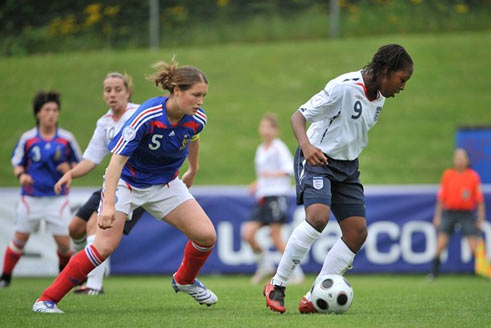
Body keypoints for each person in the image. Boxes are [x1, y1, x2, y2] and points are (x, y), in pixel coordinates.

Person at [33, 59, 217, 313]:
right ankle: (46, 299)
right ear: (176, 90)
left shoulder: (197, 117)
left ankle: (184, 280)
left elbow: (193, 138)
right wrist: (108, 204)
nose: (200, 101)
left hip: (165, 183)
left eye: (204, 96)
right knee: (104, 246)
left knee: (206, 236)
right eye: (196, 95)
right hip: (127, 183)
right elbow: (116, 162)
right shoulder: (147, 115)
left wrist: (193, 169)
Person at [263, 44, 414, 313]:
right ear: (386, 70)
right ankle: (278, 284)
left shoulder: (378, 98)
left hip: (348, 169)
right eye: (402, 80)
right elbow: (298, 117)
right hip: (319, 160)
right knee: (318, 218)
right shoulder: (344, 87)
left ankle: (315, 296)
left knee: (357, 232)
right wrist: (307, 147)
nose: (403, 87)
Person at [54, 72, 145, 295]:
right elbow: (91, 159)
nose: (112, 94)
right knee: (75, 228)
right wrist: (70, 175)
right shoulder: (104, 123)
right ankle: (84, 270)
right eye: (108, 90)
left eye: (117, 89)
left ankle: (94, 286)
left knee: (96, 225)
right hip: (112, 183)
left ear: (128, 92)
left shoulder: (140, 114)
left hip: (135, 185)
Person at [0, 90, 82, 288]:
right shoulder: (28, 139)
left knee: (64, 244)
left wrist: (70, 169)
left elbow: (80, 163)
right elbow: (17, 162)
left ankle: (63, 280)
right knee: (19, 240)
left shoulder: (66, 139)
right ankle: (5, 278)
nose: (51, 114)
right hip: (31, 198)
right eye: (47, 110)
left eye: (55, 110)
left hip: (57, 198)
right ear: (38, 113)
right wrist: (22, 175)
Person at [242, 113, 304, 284]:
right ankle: (265, 266)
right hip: (263, 197)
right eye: (263, 126)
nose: (266, 130)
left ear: (276, 130)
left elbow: (289, 169)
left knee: (275, 237)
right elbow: (263, 174)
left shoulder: (278, 147)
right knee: (248, 234)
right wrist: (257, 183)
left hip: (276, 195)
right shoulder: (261, 149)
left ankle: (296, 273)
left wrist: (270, 175)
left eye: (269, 127)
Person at [428, 148, 486, 280]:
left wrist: (480, 219)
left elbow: (480, 201)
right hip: (450, 213)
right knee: (441, 243)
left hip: (466, 213)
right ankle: (433, 272)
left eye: (461, 157)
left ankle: (482, 271)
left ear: (467, 160)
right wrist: (437, 216)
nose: (459, 160)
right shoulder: (448, 175)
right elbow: (441, 199)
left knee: (473, 245)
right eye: (456, 157)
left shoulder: (473, 176)